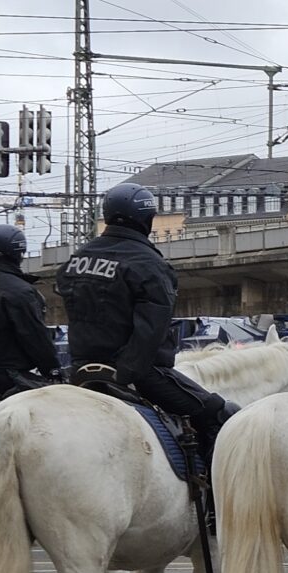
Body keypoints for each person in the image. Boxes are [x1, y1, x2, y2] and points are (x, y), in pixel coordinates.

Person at [56, 183, 239, 462]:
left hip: (79, 369)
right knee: (218, 413)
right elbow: (150, 332)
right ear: (146, 219)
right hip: (139, 374)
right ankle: (210, 487)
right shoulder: (149, 263)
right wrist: (125, 374)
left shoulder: (76, 260)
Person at [0, 224, 60, 395]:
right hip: (4, 378)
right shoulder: (20, 292)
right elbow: (36, 339)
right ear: (19, 253)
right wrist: (53, 371)